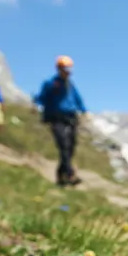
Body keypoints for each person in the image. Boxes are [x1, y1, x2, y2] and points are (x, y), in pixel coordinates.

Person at [35, 55, 88, 187]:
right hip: (56, 118)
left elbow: (77, 98)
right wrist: (36, 104)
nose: (68, 71)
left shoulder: (70, 84)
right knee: (63, 145)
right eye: (65, 68)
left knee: (70, 147)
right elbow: (42, 97)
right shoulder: (50, 83)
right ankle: (70, 174)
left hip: (71, 118)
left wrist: (83, 110)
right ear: (59, 69)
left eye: (69, 68)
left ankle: (61, 176)